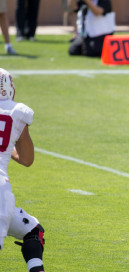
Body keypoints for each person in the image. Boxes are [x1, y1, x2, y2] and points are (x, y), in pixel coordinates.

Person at [0, 68, 46, 272]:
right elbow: (27, 159)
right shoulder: (17, 112)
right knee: (35, 232)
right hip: (0, 192)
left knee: (32, 229)